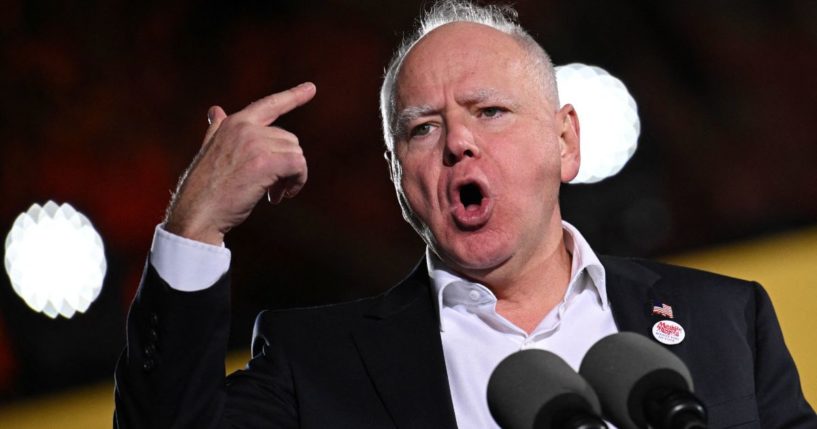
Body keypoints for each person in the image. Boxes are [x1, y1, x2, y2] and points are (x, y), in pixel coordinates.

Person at [114, 1, 816, 427]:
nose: (457, 140)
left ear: (565, 141)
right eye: (421, 128)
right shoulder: (316, 364)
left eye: (490, 110)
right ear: (398, 179)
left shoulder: (728, 320)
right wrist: (193, 225)